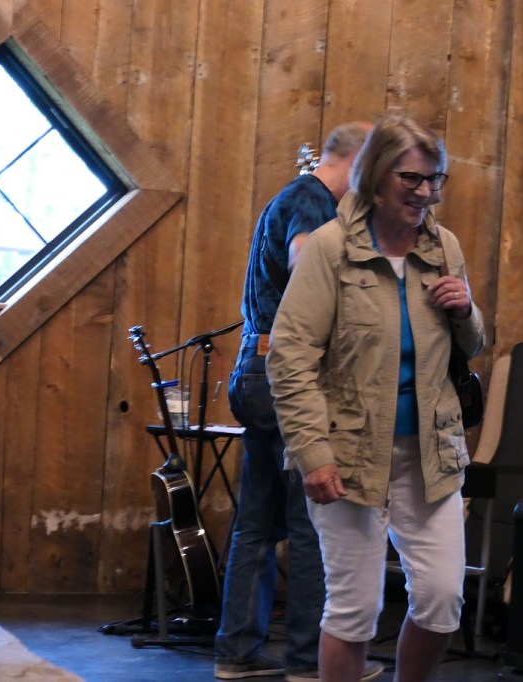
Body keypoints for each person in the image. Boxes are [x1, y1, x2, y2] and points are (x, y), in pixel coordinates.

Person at [266, 111, 486, 682]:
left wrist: (466, 310)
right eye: (411, 178)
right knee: (355, 610)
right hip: (348, 457)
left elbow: (473, 344)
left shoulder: (444, 247)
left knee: (441, 600)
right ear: (376, 176)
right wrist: (312, 453)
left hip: (431, 455)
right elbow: (290, 357)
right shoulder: (330, 248)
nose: (425, 192)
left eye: (434, 179)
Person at [215, 121, 384, 682]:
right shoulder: (313, 203)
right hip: (289, 373)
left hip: (254, 367)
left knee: (256, 524)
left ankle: (237, 653)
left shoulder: (287, 197)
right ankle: (312, 660)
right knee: (311, 523)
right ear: (358, 162)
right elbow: (307, 265)